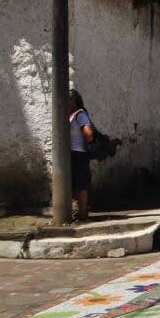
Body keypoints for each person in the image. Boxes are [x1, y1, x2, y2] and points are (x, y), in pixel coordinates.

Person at [67, 89, 95, 221]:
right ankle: (81, 212)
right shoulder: (70, 114)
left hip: (79, 153)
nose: (66, 102)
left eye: (68, 100)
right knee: (74, 184)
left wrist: (84, 144)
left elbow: (88, 134)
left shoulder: (80, 114)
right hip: (72, 154)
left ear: (74, 101)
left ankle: (83, 214)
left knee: (81, 185)